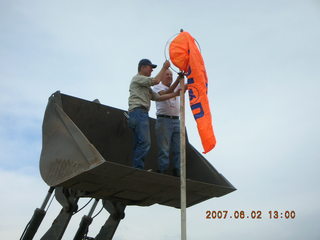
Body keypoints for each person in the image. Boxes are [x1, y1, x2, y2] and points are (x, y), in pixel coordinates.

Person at [128, 59, 180, 170]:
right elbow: (156, 81)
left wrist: (175, 93)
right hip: (138, 112)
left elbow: (157, 97)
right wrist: (164, 67)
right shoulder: (138, 78)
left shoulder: (145, 85)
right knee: (145, 143)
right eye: (150, 67)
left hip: (139, 113)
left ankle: (137, 168)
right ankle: (138, 168)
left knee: (140, 142)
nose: (152, 69)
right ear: (142, 67)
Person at [152, 69, 184, 176]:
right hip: (164, 119)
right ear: (162, 77)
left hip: (176, 120)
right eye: (167, 74)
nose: (170, 76)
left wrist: (185, 76)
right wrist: (178, 79)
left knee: (178, 148)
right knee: (164, 148)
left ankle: (177, 171)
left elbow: (183, 88)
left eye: (171, 75)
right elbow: (167, 92)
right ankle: (163, 170)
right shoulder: (157, 87)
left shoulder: (175, 87)